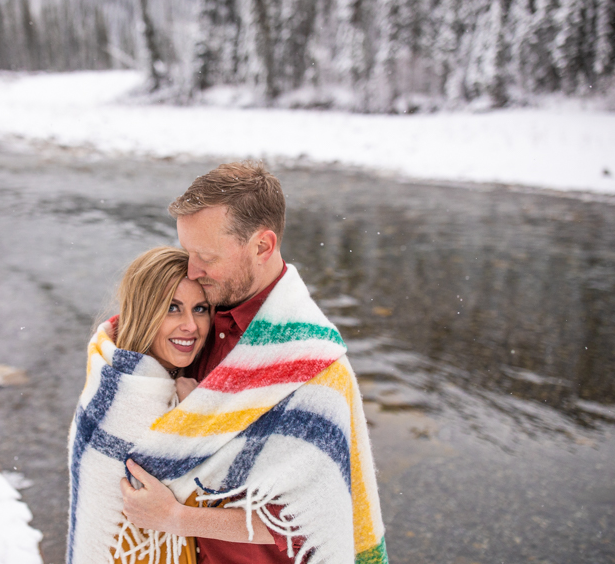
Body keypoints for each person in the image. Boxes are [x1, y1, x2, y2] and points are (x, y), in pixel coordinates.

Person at [118, 162, 388, 564]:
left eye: (205, 256)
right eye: (186, 252)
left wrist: (176, 517)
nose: (193, 271)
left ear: (262, 246)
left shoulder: (314, 366)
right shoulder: (197, 319)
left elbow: (313, 517)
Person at [68, 246, 210, 564]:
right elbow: (218, 500)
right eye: (173, 308)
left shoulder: (108, 372)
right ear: (145, 313)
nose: (191, 325)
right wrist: (195, 418)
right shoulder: (135, 406)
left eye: (200, 309)